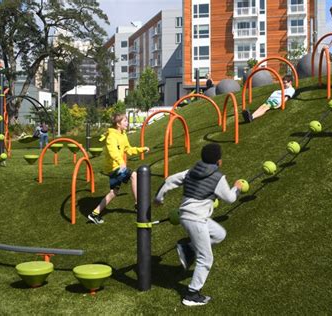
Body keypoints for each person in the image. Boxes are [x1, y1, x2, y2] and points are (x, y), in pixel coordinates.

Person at [155, 143, 242, 306]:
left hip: (187, 216)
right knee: (206, 259)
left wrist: (159, 198)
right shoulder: (218, 177)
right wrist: (236, 188)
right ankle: (191, 294)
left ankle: (189, 248)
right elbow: (230, 198)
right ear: (219, 161)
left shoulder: (191, 171)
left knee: (219, 234)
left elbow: (169, 180)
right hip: (196, 219)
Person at [88, 113, 149, 224]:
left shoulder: (123, 134)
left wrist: (141, 149)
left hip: (116, 167)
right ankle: (138, 204)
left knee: (114, 192)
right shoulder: (111, 136)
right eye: (125, 121)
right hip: (113, 167)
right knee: (134, 175)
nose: (127, 122)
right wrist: (121, 162)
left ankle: (94, 214)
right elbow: (113, 152)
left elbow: (128, 149)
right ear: (118, 124)